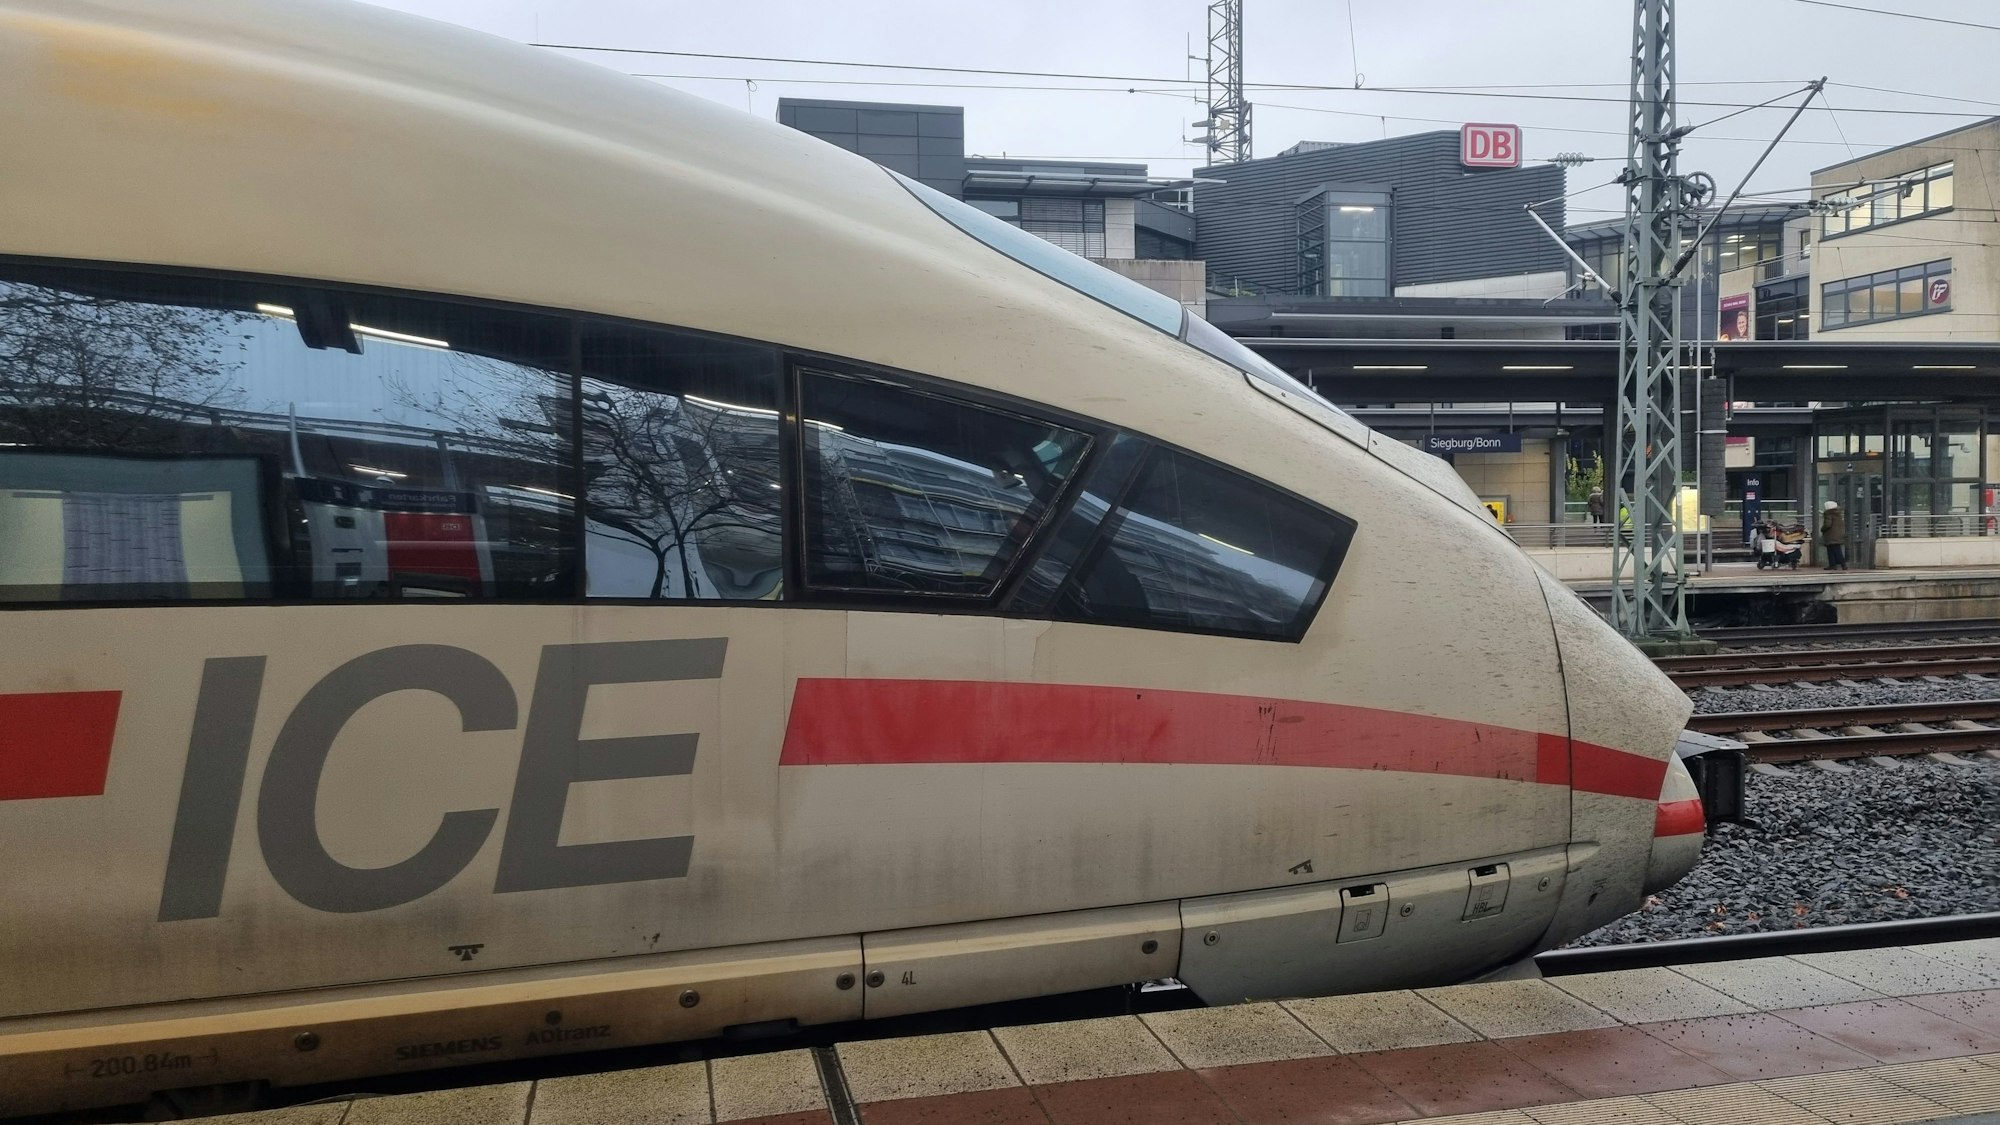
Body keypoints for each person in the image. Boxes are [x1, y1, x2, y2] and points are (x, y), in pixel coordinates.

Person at [1821, 500, 1848, 570]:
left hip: (1831, 535)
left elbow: (1827, 524)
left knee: (1832, 551)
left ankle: (1837, 564)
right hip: (1838, 535)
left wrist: (1822, 529)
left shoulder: (1828, 514)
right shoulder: (1838, 514)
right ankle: (1838, 564)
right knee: (1836, 550)